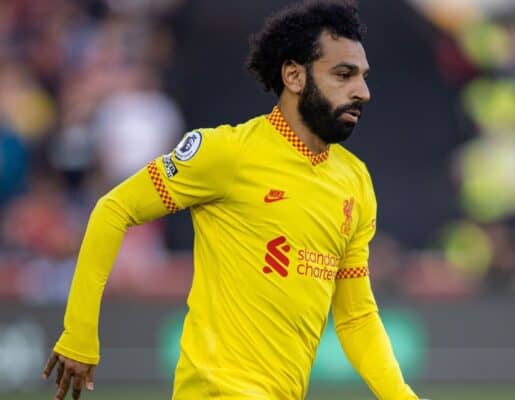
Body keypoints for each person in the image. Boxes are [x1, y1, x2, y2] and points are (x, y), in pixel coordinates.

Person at [42, 1, 420, 399]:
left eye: (362, 76)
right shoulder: (227, 153)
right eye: (343, 74)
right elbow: (113, 209)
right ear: (293, 75)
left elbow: (356, 315)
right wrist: (79, 333)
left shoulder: (354, 181)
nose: (362, 91)